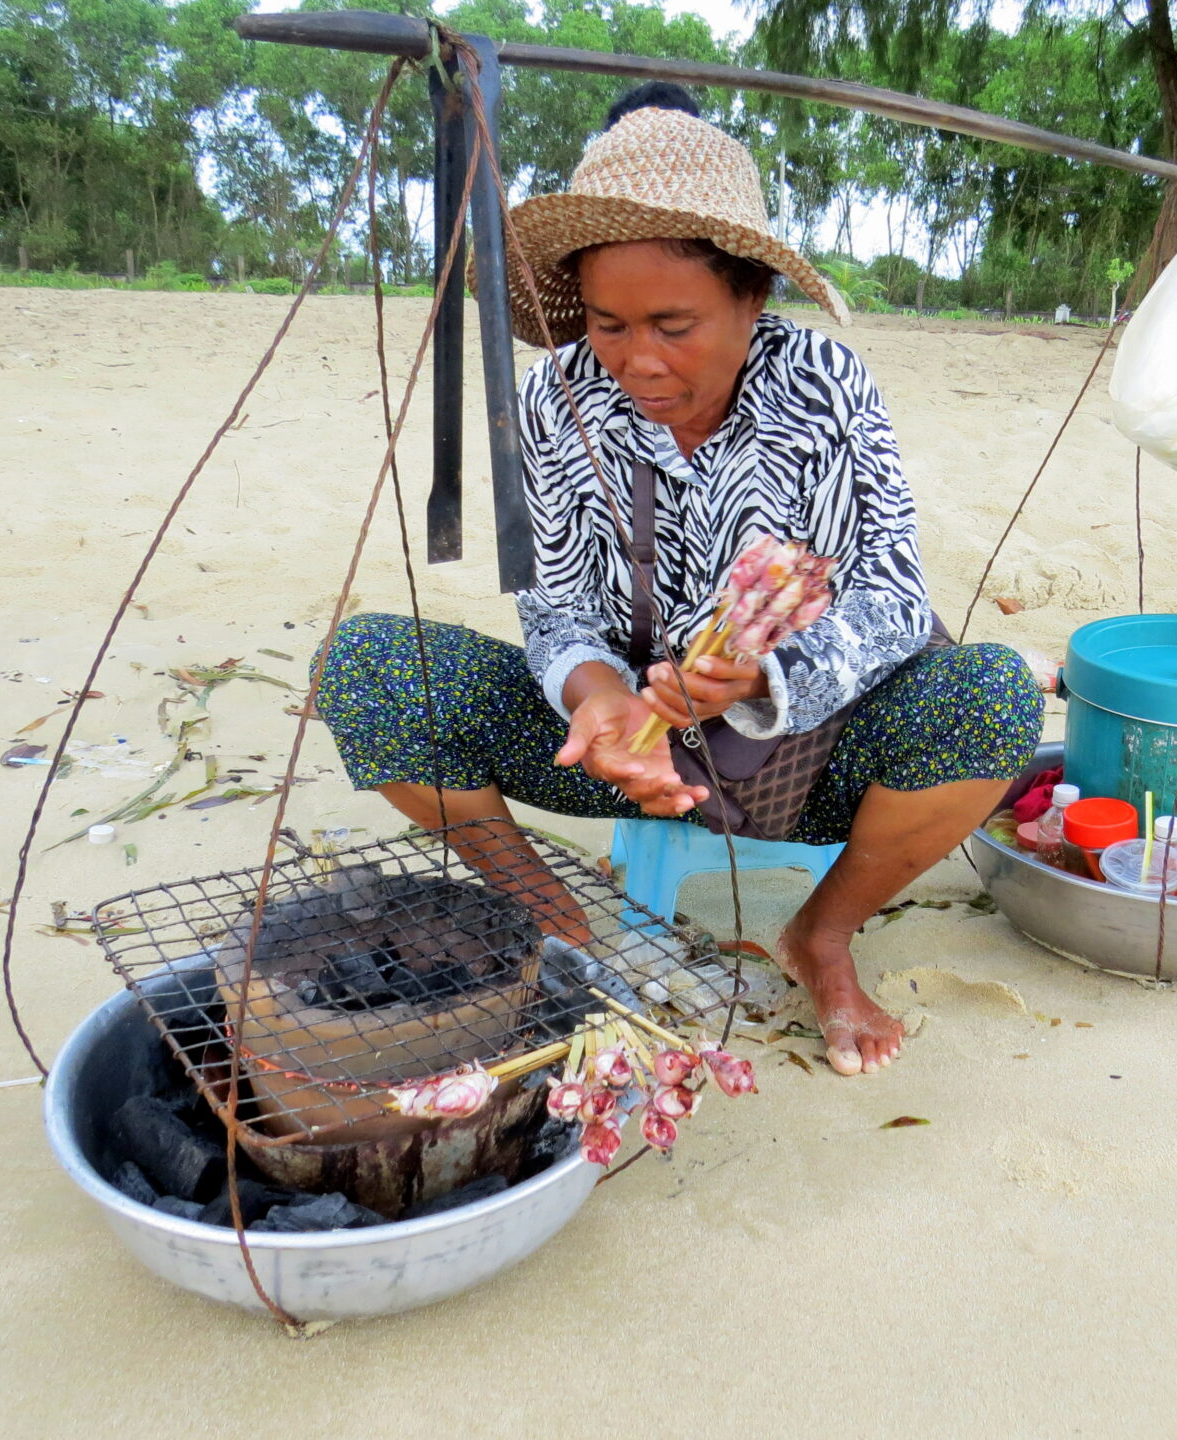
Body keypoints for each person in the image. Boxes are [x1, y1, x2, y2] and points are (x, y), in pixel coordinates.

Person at [315, 85, 1042, 1076]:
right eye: (609, 324)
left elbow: (894, 598)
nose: (636, 362)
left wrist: (761, 680)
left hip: (805, 752)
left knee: (991, 696)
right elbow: (555, 601)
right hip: (616, 756)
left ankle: (819, 939)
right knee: (367, 667)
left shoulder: (823, 387)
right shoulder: (557, 399)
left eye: (673, 323)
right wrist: (599, 695)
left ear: (750, 298)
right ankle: (552, 914)